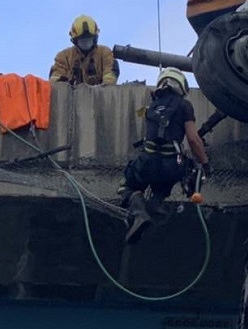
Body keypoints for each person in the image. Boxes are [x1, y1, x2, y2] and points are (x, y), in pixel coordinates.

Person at [120, 67, 211, 245]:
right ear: (181, 86)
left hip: (147, 163)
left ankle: (139, 214)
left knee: (127, 187)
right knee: (163, 185)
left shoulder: (150, 107)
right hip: (172, 166)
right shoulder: (185, 106)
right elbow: (193, 139)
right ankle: (155, 204)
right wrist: (205, 164)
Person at [49, 15, 119, 86]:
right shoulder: (63, 57)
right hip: (71, 96)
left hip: (100, 96)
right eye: (82, 40)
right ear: (75, 40)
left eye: (89, 40)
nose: (85, 43)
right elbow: (55, 84)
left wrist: (99, 89)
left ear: (94, 39)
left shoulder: (105, 53)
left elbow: (110, 80)